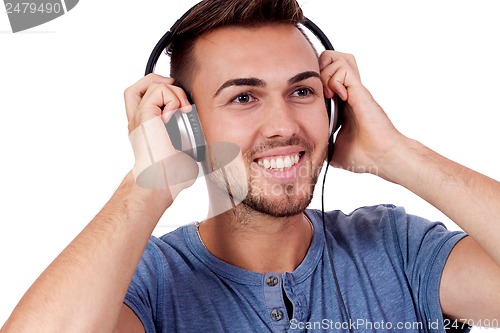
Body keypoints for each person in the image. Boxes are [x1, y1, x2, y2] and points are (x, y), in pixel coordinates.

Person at [2, 0, 500, 332]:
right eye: (244, 97)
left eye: (302, 91)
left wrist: (397, 154)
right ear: (187, 125)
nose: (283, 124)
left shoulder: (397, 248)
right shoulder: (147, 281)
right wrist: (149, 183)